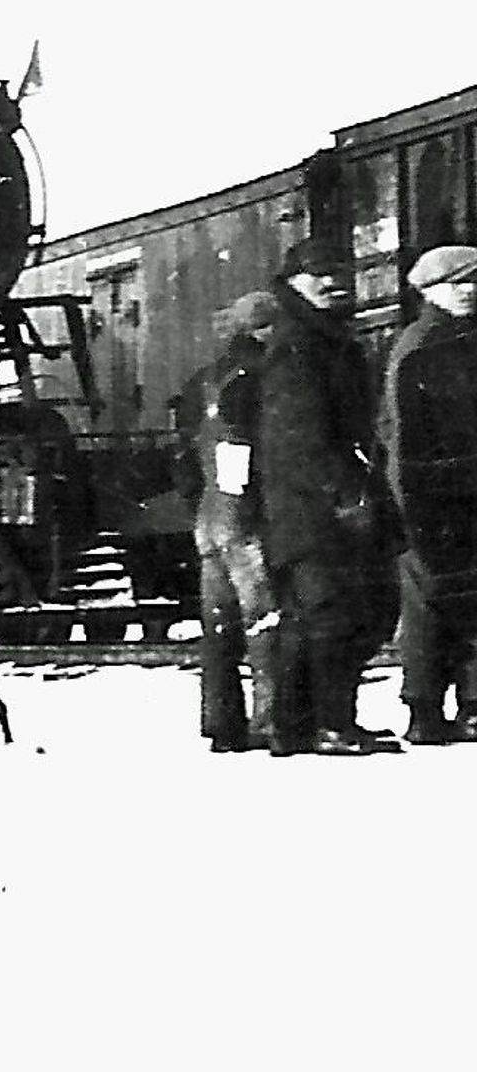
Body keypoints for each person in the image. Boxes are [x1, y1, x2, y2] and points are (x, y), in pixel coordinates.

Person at [254, 240, 400, 754]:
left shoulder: (316, 339)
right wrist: (346, 495)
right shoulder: (300, 346)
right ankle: (329, 725)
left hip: (309, 506)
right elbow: (303, 438)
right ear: (293, 281)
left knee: (323, 616)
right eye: (318, 274)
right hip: (315, 509)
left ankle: (302, 726)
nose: (333, 282)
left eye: (339, 271)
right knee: (332, 616)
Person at [387, 243, 477, 742]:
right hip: (436, 494)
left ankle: (453, 706)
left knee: (448, 600)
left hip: (456, 490)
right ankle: (429, 710)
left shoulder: (456, 340)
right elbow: (405, 437)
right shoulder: (422, 348)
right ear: (430, 291)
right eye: (458, 283)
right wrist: (415, 507)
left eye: (474, 281)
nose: (470, 291)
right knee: (431, 603)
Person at [187, 291, 281, 752]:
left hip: (210, 513)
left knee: (219, 626)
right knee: (263, 618)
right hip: (241, 515)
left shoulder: (208, 378)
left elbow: (188, 455)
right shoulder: (260, 378)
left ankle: (221, 723)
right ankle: (269, 719)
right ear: (261, 330)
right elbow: (243, 449)